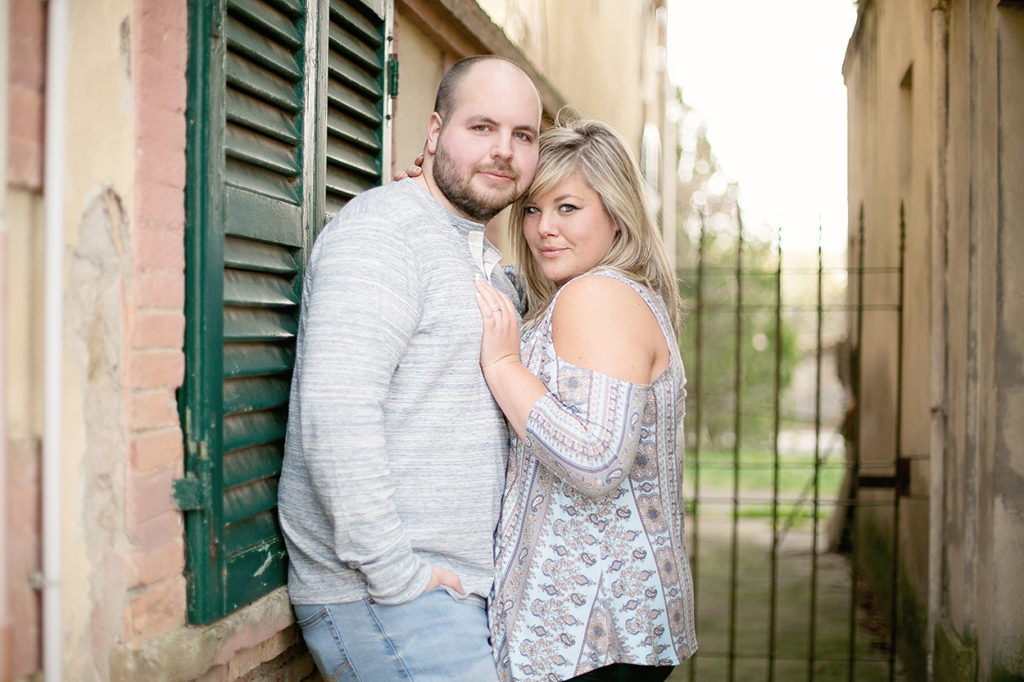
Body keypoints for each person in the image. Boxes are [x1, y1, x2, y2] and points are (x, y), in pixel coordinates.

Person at [277, 56, 542, 682]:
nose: (503, 151)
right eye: (481, 127)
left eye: (522, 136)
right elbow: (335, 419)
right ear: (433, 131)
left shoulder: (481, 256)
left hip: (458, 595)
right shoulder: (382, 235)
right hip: (387, 597)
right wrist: (399, 576)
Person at [473, 111, 698, 682]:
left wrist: (503, 366)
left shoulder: (596, 296)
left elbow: (598, 460)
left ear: (617, 217)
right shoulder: (605, 294)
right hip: (612, 633)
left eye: (568, 208)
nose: (544, 227)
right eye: (532, 209)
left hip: (590, 636)